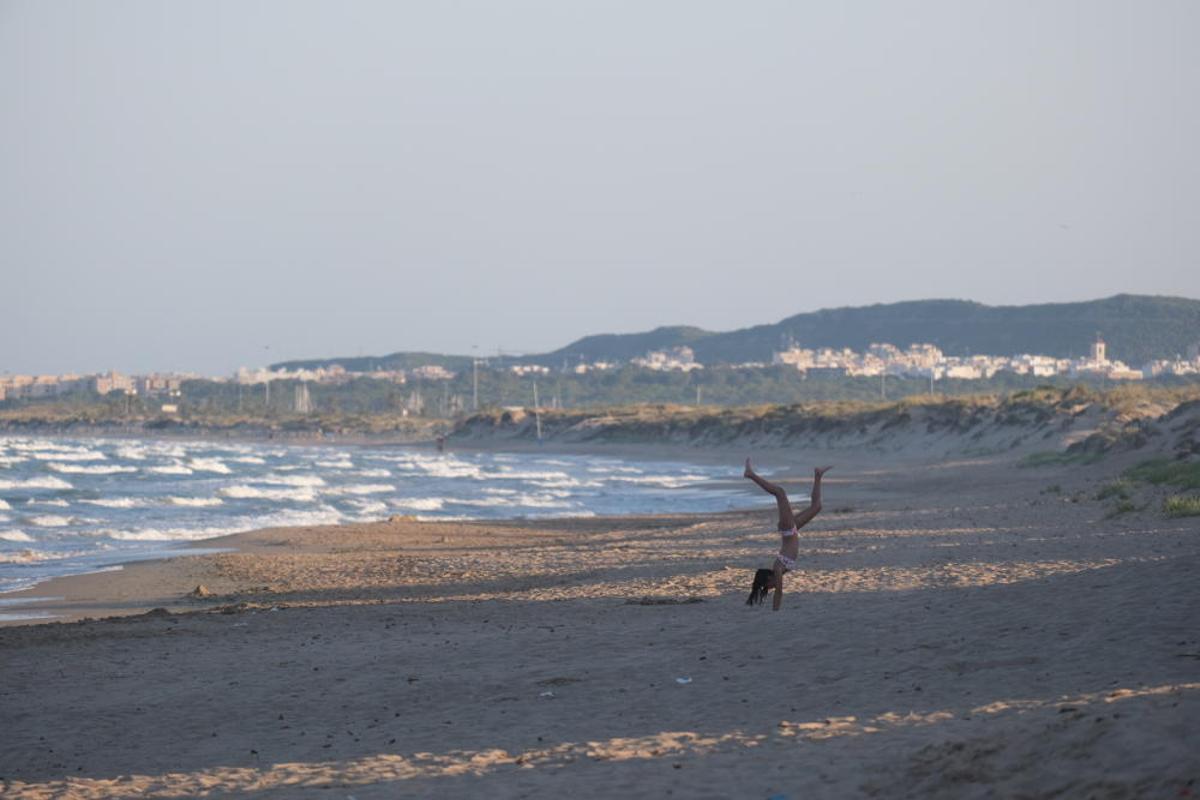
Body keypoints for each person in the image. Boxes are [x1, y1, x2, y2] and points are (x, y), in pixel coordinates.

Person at [743, 459, 831, 610]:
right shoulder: (778, 570)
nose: (771, 588)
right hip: (792, 530)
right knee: (817, 506)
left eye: (768, 586)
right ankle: (818, 475)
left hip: (788, 528)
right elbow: (777, 591)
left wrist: (775, 610)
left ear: (770, 578)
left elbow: (779, 593)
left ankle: (750, 474)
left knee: (780, 492)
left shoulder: (777, 569)